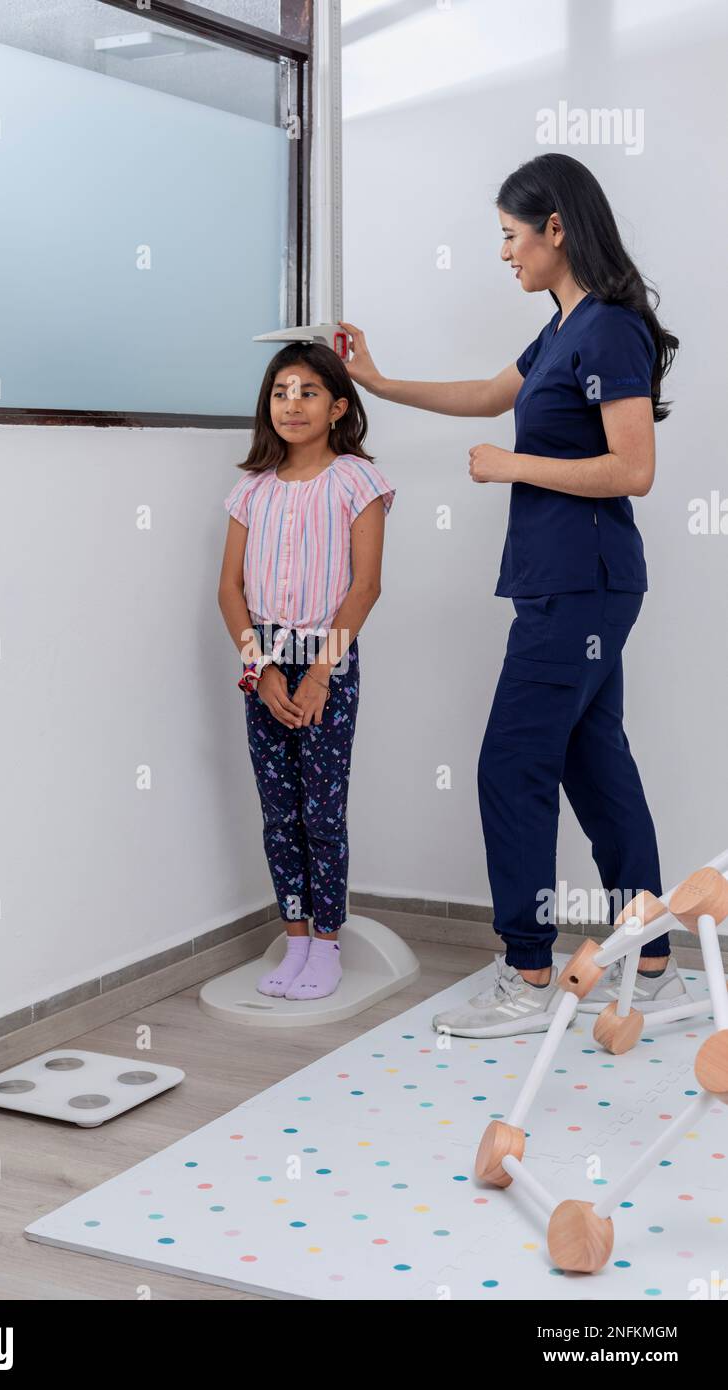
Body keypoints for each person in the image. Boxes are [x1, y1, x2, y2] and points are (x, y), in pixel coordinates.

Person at [341, 152, 689, 1037]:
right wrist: (378, 383)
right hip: (570, 584)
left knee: (511, 764)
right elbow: (493, 392)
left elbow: (635, 469)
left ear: (556, 229)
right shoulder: (564, 326)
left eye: (510, 234)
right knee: (591, 760)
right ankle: (651, 962)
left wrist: (510, 465)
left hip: (584, 583)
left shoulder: (609, 328)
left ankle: (529, 977)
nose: (504, 253)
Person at [217, 342, 395, 1001]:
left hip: (329, 654)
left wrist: (319, 674)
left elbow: (365, 586)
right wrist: (259, 669)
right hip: (263, 656)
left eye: (309, 391)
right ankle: (292, 939)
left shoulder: (358, 482)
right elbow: (229, 590)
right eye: (281, 392)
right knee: (277, 809)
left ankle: (327, 944)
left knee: (322, 808)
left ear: (338, 406)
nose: (293, 403)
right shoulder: (250, 492)